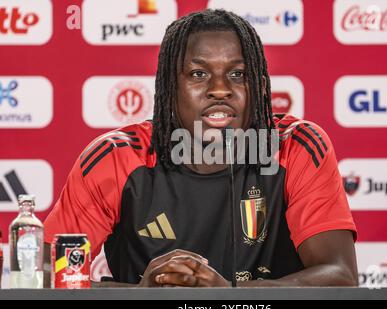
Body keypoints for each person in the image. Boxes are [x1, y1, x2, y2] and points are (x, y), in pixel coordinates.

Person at [43, 9, 358, 287]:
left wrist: (229, 296)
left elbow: (339, 275)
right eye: (198, 74)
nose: (220, 89)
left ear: (261, 86)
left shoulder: (295, 147)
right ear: (169, 85)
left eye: (238, 74)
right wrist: (142, 297)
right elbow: (44, 275)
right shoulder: (116, 158)